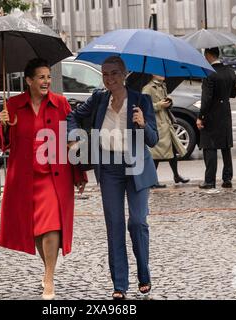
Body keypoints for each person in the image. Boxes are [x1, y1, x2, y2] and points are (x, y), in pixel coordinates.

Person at [0, 58, 88, 300]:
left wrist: (79, 172)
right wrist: (5, 125)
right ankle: (47, 270)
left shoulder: (61, 103)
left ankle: (49, 278)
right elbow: (2, 144)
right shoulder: (13, 105)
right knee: (36, 229)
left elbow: (72, 139)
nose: (46, 81)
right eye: (41, 77)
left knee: (52, 225)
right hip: (25, 179)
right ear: (29, 80)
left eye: (48, 77)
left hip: (54, 176)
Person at [67, 56, 159, 300]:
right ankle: (119, 285)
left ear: (125, 74)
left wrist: (142, 124)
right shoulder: (99, 99)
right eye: (105, 74)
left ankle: (144, 275)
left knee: (137, 222)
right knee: (114, 225)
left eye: (115, 73)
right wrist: (72, 136)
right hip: (108, 167)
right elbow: (72, 115)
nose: (110, 79)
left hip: (137, 166)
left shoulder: (142, 100)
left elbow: (153, 140)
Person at [197, 47, 236, 189]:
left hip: (212, 114)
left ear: (208, 55)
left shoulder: (209, 74)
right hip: (225, 112)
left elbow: (206, 99)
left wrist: (201, 116)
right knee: (226, 146)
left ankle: (209, 180)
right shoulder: (230, 72)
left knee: (210, 146)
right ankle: (227, 179)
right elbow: (233, 94)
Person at [142, 74, 190, 188]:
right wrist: (160, 105)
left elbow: (165, 103)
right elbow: (145, 106)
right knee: (156, 154)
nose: (163, 75)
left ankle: (176, 175)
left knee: (172, 150)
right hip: (157, 124)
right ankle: (152, 181)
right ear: (153, 74)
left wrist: (169, 102)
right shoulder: (148, 88)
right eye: (159, 72)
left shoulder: (162, 86)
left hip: (166, 123)